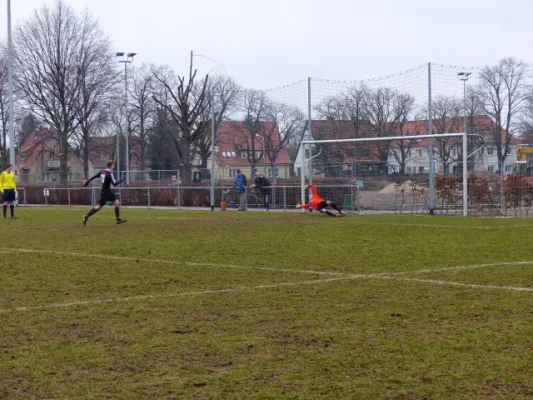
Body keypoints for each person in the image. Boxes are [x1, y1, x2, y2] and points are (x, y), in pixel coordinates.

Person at [82, 160, 126, 225]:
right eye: (113, 165)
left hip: (104, 191)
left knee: (112, 203)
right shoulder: (109, 174)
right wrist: (122, 180)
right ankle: (118, 219)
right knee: (105, 205)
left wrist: (87, 182)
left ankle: (86, 216)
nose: (114, 166)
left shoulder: (102, 171)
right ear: (111, 166)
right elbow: (114, 184)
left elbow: (93, 177)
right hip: (107, 192)